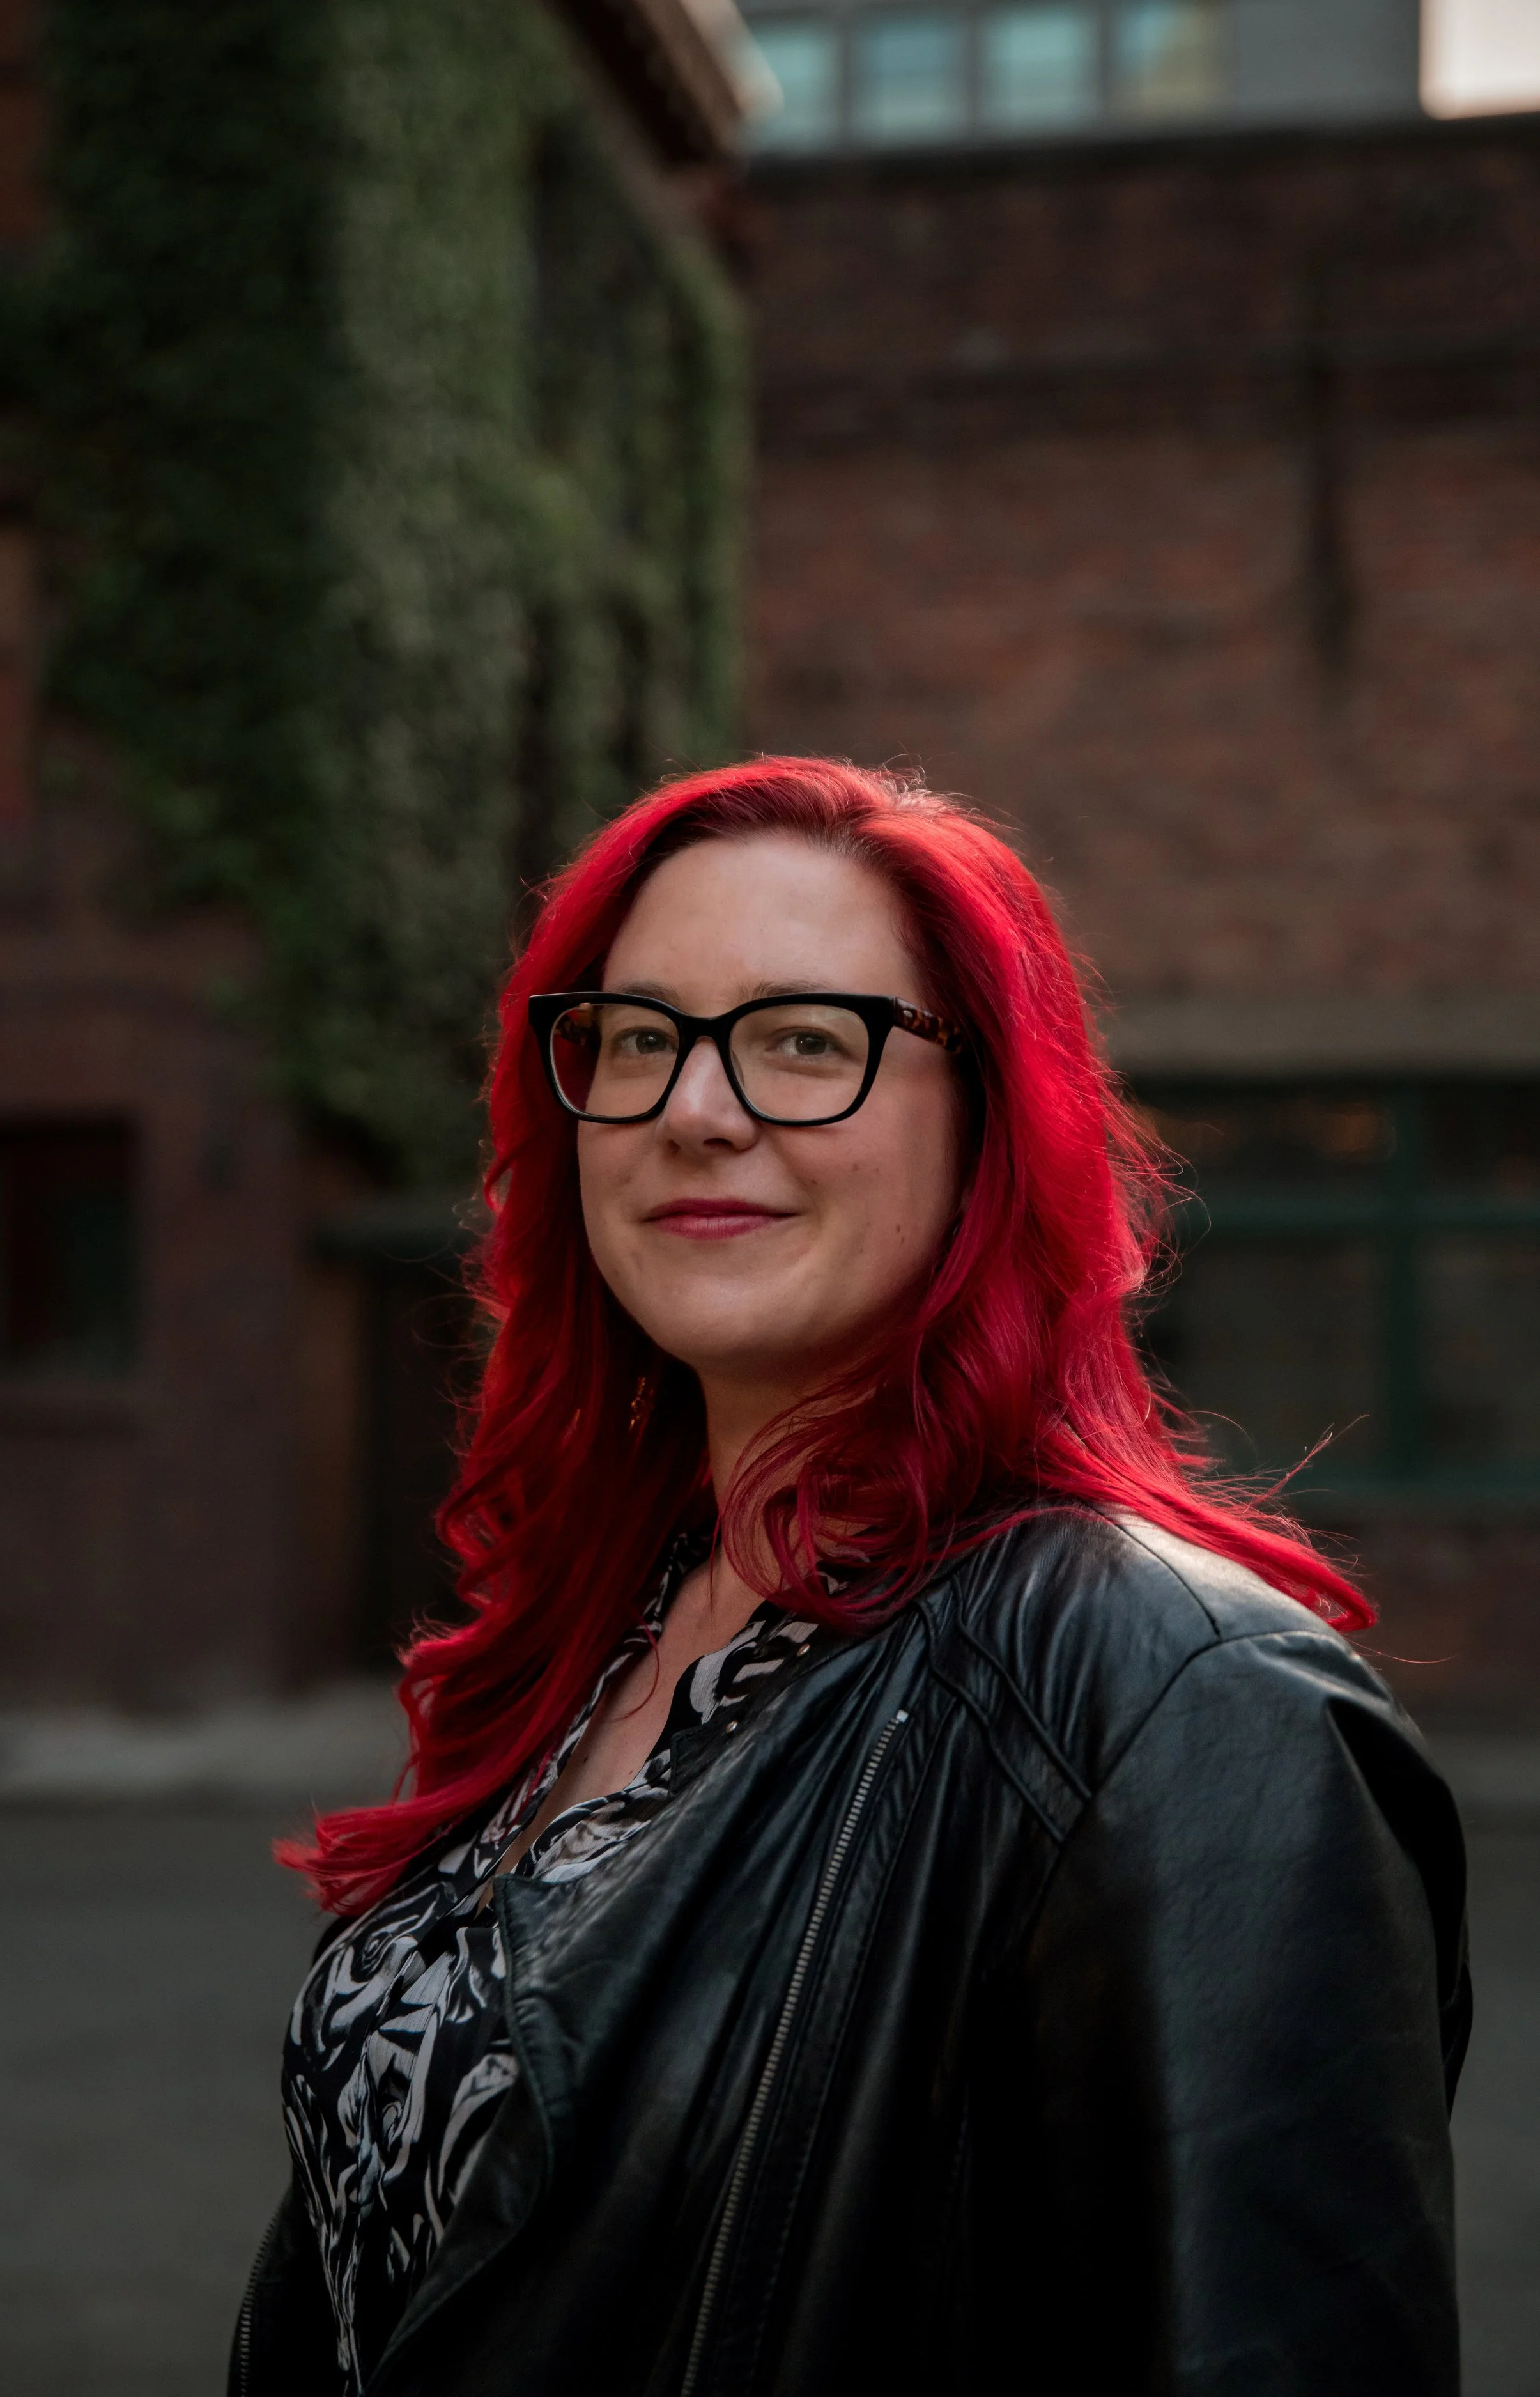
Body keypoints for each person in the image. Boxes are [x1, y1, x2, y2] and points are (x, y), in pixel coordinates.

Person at [233, 759, 1469, 2397]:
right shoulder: (610, 1629)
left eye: (805, 1042)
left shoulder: (1179, 1709)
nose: (694, 1108)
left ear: (989, 1123)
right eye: (639, 1036)